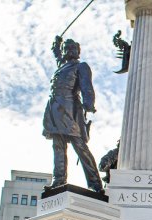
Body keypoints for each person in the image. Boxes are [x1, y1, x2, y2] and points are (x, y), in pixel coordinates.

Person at [43, 35, 104, 194]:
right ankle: (59, 180)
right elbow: (58, 57)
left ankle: (95, 184)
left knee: (80, 147)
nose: (69, 50)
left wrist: (88, 104)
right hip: (54, 109)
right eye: (66, 48)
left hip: (70, 111)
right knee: (58, 146)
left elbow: (87, 87)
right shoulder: (61, 66)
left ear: (78, 51)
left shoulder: (81, 66)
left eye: (73, 48)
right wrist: (57, 45)